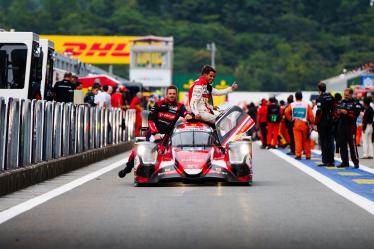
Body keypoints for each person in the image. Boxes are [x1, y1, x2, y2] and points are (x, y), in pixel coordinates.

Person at [118, 86, 192, 178]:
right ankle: (128, 168)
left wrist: (189, 115)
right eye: (170, 94)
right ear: (166, 94)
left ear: (176, 94)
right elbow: (151, 120)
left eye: (173, 94)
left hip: (166, 135)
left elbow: (185, 113)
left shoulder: (180, 106)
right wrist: (155, 133)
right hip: (152, 132)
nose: (172, 95)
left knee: (161, 152)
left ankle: (159, 171)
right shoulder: (158, 104)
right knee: (137, 149)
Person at [336, 88, 363, 168]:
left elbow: (356, 114)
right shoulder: (341, 102)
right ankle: (345, 162)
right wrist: (338, 112)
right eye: (344, 95)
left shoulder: (356, 103)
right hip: (341, 125)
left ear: (351, 94)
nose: (345, 96)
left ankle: (355, 162)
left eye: (347, 95)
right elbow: (337, 112)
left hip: (350, 125)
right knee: (342, 143)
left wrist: (347, 112)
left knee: (352, 144)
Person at [285, 91, 314, 160]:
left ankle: (298, 155)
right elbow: (311, 116)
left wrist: (291, 119)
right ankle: (308, 155)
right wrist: (311, 122)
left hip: (296, 123)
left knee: (297, 140)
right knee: (306, 141)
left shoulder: (292, 104)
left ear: (295, 97)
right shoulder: (306, 104)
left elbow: (286, 111)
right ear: (302, 97)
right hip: (305, 124)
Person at [315, 82, 336, 167]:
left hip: (323, 123)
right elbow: (335, 108)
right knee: (330, 141)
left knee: (324, 142)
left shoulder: (320, 98)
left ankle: (325, 160)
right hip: (330, 121)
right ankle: (331, 160)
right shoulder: (331, 97)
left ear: (319, 89)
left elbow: (319, 112)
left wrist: (315, 122)